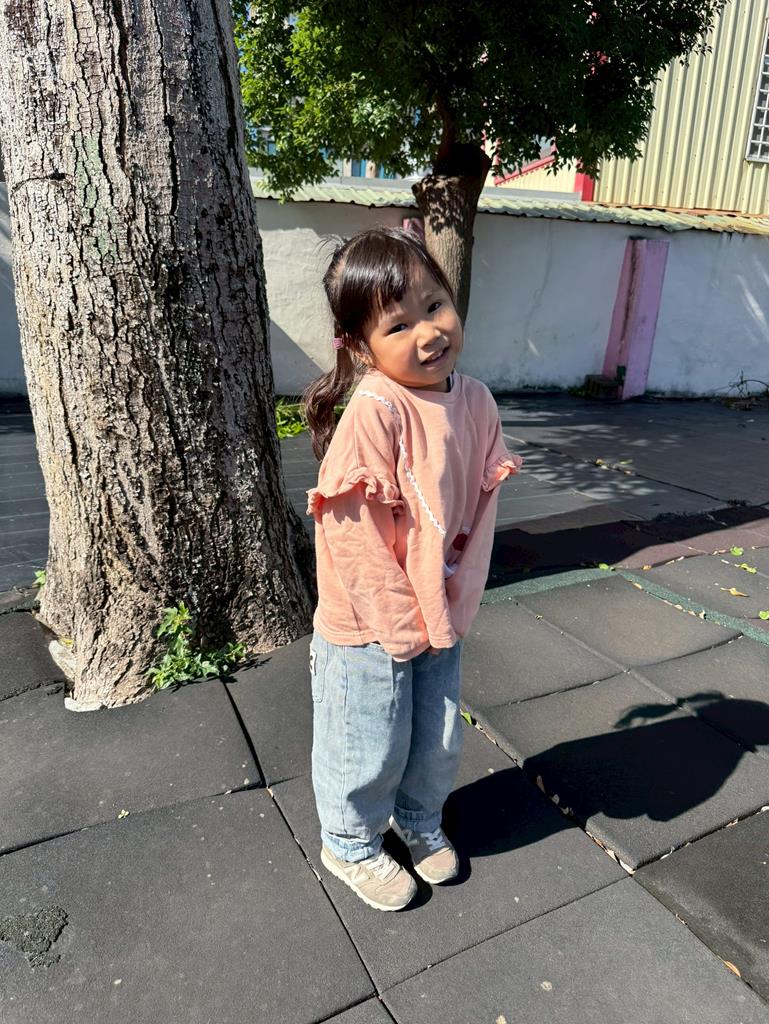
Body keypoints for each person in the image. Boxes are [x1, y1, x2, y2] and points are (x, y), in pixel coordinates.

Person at [301, 226, 523, 911]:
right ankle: (348, 842)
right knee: (365, 736)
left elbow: (480, 507)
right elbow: (350, 533)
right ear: (360, 346)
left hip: (438, 606)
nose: (428, 332)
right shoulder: (376, 410)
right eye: (398, 325)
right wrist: (398, 622)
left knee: (436, 734)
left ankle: (419, 818)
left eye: (435, 306)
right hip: (370, 620)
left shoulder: (475, 401)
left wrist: (457, 600)